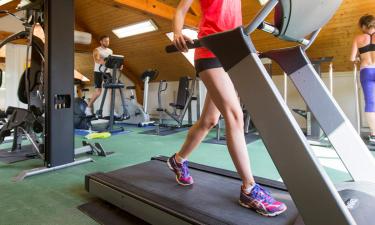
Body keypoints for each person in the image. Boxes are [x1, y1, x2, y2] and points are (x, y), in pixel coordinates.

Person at [167, 0, 287, 217]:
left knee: (209, 121)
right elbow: (181, 9)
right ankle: (249, 189)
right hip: (209, 52)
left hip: (230, 54)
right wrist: (177, 32)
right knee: (235, 116)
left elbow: (233, 22)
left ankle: (177, 160)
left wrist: (244, 48)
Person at [351, 14, 375, 143]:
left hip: (366, 70)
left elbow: (351, 58)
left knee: (371, 103)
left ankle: (374, 134)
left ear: (364, 26)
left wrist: (359, 58)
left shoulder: (358, 38)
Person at [85, 35, 113, 116]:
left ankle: (112, 110)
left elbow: (112, 61)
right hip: (98, 72)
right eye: (105, 41)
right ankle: (88, 108)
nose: (107, 42)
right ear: (101, 41)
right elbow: (97, 60)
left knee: (112, 89)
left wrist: (118, 64)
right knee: (98, 92)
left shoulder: (110, 51)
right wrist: (106, 61)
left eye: (108, 41)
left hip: (107, 72)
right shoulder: (97, 50)